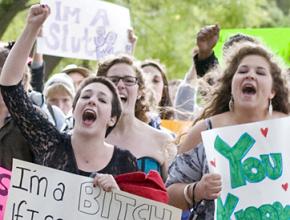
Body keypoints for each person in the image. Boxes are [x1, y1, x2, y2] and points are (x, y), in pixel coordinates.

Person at [0, 4, 138, 191]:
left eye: (102, 100)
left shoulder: (126, 161)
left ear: (112, 118)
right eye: (86, 95)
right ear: (74, 109)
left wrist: (118, 194)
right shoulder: (48, 142)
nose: (92, 100)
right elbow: (10, 86)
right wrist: (31, 28)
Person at [166, 41, 289, 219]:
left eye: (260, 72)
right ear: (231, 85)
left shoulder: (286, 128)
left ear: (273, 91)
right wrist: (197, 190)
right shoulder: (204, 131)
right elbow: (168, 195)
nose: (251, 76)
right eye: (243, 71)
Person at [97, 54, 174, 180]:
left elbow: (175, 196)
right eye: (113, 80)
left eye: (128, 80)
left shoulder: (163, 141)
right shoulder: (82, 137)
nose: (121, 85)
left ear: (140, 91)